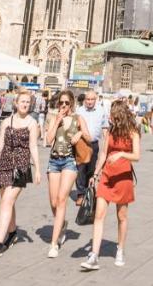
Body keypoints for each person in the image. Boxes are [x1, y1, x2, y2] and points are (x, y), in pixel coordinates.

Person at [81, 99, 141, 270]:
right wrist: (95, 173)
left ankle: (120, 249)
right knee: (99, 215)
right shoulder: (110, 132)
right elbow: (103, 154)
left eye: (112, 114)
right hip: (107, 176)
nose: (109, 117)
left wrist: (121, 154)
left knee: (121, 216)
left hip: (123, 177)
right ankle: (94, 255)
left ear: (119, 115)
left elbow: (137, 155)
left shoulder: (132, 132)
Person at [0, 89, 41, 258]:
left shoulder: (32, 123)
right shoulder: (6, 122)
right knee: (7, 201)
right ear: (15, 103)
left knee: (7, 201)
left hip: (20, 167)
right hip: (4, 165)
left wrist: (37, 168)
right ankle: (13, 232)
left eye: (27, 102)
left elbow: (33, 147)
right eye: (22, 101)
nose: (25, 104)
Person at [43, 89, 87, 256]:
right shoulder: (55, 118)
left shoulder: (78, 119)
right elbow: (48, 140)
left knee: (62, 200)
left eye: (66, 103)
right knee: (54, 203)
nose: (63, 105)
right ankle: (62, 224)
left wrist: (81, 132)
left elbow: (90, 138)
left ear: (72, 104)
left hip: (69, 161)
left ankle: (54, 244)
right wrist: (57, 121)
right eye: (60, 103)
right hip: (54, 161)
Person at [75, 89, 108, 200]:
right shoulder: (79, 111)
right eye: (87, 99)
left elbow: (104, 127)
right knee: (80, 168)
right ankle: (80, 193)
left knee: (92, 169)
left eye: (92, 99)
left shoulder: (101, 111)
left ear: (96, 99)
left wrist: (106, 144)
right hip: (81, 143)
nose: (89, 102)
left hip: (94, 144)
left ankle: (89, 191)